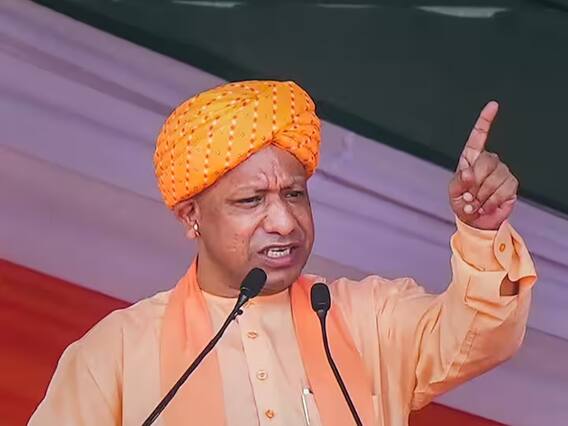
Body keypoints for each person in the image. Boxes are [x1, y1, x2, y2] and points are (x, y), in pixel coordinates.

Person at [29, 81, 536, 426]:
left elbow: (480, 335)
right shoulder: (116, 353)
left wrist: (481, 231)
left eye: (294, 194)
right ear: (191, 218)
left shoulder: (369, 318)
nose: (285, 222)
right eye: (251, 201)